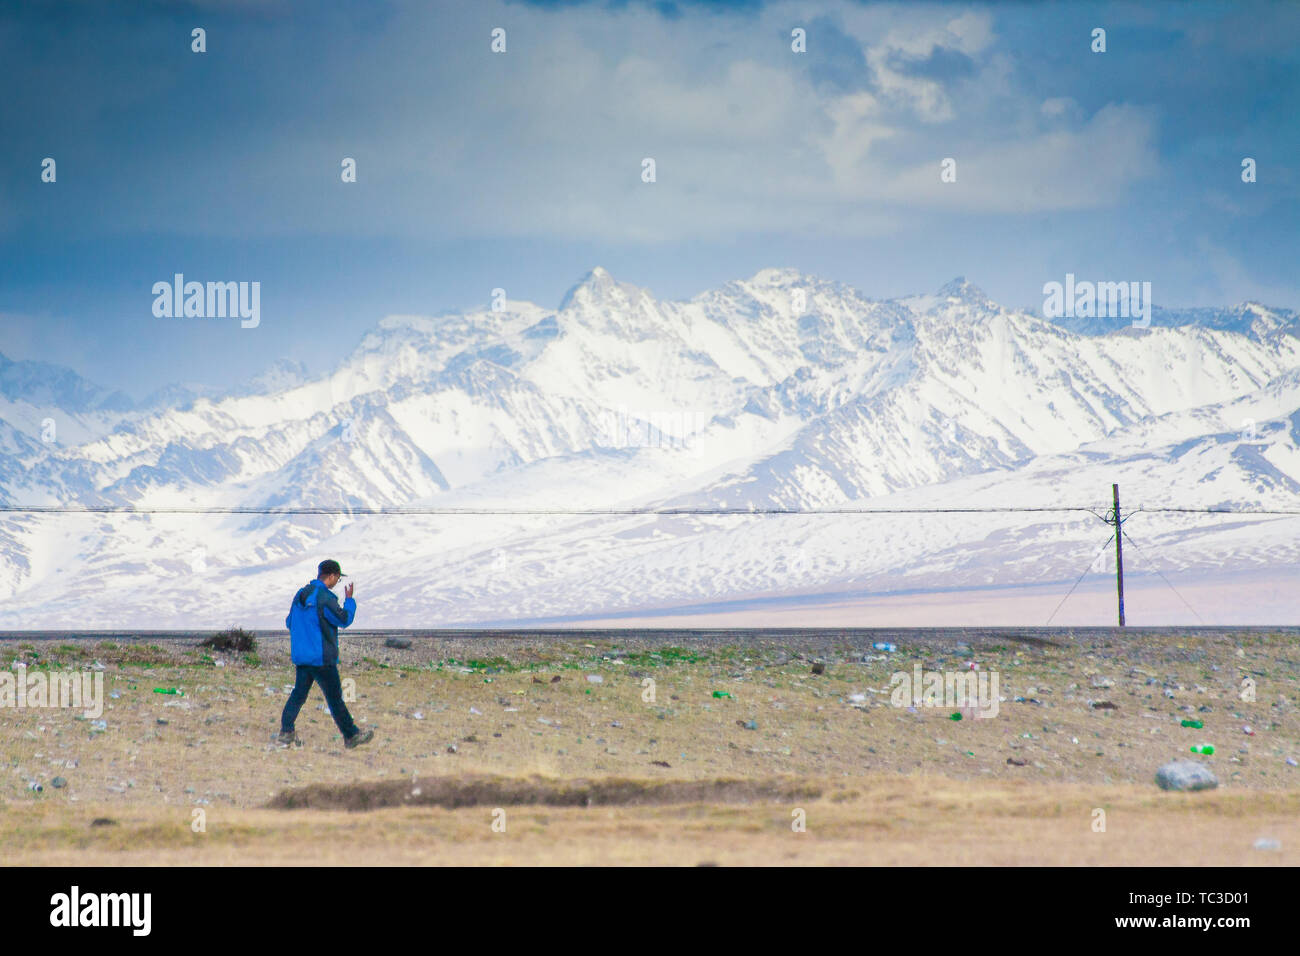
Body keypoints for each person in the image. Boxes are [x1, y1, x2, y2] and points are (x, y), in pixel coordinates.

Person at [277, 559, 374, 749]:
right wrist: (350, 601)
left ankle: (286, 731)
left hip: (302, 657)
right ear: (331, 576)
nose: (336, 583)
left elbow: (289, 622)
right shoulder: (325, 598)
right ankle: (351, 735)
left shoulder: (300, 596)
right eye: (337, 579)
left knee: (298, 695)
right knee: (335, 698)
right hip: (321, 658)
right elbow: (343, 619)